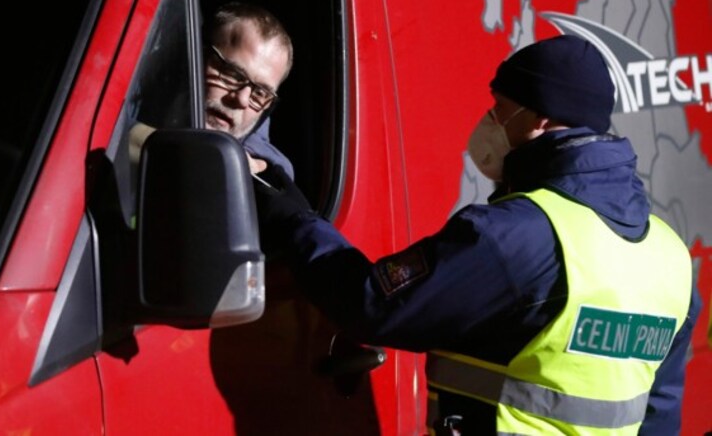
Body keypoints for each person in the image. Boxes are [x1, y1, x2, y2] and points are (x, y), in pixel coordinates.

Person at [253, 35, 701, 435]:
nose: (490, 119)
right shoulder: (671, 257)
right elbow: (659, 415)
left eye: (500, 107)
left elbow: (371, 304)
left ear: (540, 119)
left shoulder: (514, 235)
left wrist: (293, 217)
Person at [130, 2, 294, 179]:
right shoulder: (126, 96)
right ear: (194, 56)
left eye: (260, 93)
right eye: (232, 74)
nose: (242, 100)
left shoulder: (263, 170)